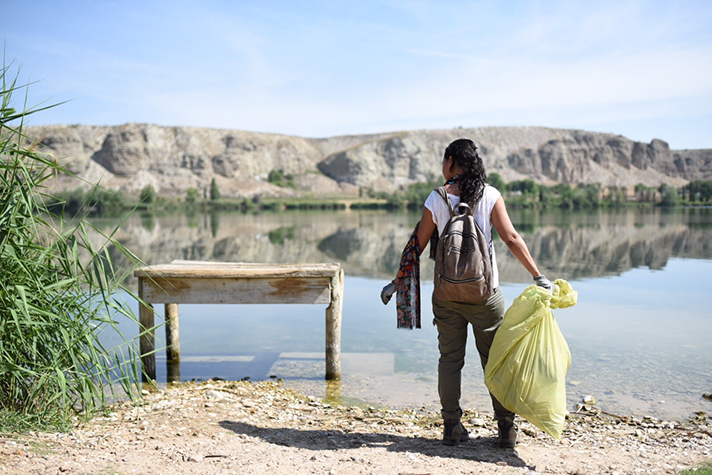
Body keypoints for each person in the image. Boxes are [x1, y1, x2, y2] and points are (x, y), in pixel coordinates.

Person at [381, 138, 554, 448]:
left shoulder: (437, 198)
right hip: (485, 295)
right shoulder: (490, 195)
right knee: (496, 361)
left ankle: (451, 427)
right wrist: (537, 275)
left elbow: (415, 246)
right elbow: (511, 238)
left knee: (449, 361)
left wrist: (397, 282)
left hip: (446, 295)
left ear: (450, 162)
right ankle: (506, 429)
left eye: (443, 162)